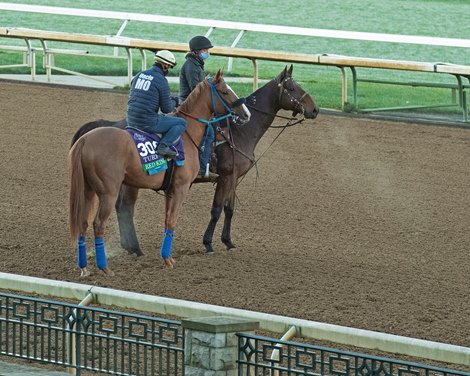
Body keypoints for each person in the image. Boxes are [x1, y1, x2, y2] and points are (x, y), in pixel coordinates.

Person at [126, 50, 186, 157]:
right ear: (165, 65)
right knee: (181, 123)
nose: (169, 69)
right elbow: (166, 109)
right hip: (147, 122)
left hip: (130, 119)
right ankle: (163, 146)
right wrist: (175, 101)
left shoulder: (140, 74)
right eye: (170, 67)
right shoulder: (161, 80)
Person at [179, 35, 218, 180]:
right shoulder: (191, 66)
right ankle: (200, 168)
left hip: (192, 105)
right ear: (196, 51)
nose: (207, 52)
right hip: (188, 106)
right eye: (205, 49)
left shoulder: (196, 64)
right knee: (209, 133)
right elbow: (196, 90)